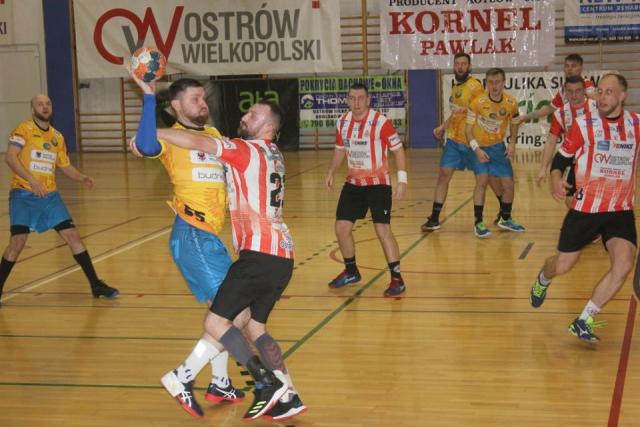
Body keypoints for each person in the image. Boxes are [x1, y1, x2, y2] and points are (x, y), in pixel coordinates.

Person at [137, 98, 305, 421]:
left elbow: (198, 142)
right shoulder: (274, 154)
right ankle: (288, 395)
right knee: (254, 326)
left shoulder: (246, 150)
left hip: (258, 254)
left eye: (254, 115)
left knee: (217, 322)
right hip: (282, 255)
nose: (246, 116)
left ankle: (254, 383)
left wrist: (154, 132)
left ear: (268, 127)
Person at [128, 73, 245, 417]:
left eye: (203, 98)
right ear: (176, 106)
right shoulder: (171, 140)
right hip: (192, 234)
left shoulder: (213, 135)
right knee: (234, 313)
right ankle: (183, 376)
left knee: (224, 314)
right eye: (195, 99)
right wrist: (149, 96)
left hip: (210, 237)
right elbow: (146, 145)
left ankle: (220, 382)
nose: (203, 103)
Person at [530, 74, 639, 343]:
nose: (602, 97)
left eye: (609, 92)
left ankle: (584, 320)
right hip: (586, 209)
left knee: (624, 264)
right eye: (600, 91)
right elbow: (561, 158)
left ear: (622, 96)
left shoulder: (636, 125)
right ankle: (543, 278)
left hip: (620, 210)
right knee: (562, 265)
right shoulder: (583, 125)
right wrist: (556, 179)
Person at [0, 95, 118, 305]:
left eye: (48, 104)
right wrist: (31, 179)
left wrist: (82, 177)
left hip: (50, 197)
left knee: (73, 236)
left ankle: (96, 285)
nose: (45, 107)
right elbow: (10, 157)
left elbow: (65, 166)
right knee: (17, 243)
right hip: (23, 194)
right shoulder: (23, 130)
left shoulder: (57, 137)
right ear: (32, 109)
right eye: (40, 104)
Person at [325, 82, 407, 297]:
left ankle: (397, 279)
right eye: (352, 98)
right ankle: (351, 271)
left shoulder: (380, 122)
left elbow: (398, 150)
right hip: (354, 184)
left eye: (361, 98)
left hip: (378, 184)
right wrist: (332, 171)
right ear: (347, 100)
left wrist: (402, 180)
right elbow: (340, 150)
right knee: (341, 227)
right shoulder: (342, 122)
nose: (356, 102)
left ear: (368, 100)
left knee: (382, 230)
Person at [422, 52, 504, 232]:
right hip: (454, 140)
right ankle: (434, 218)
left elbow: (485, 108)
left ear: (469, 66)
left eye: (463, 64)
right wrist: (442, 127)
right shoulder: (455, 87)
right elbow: (455, 113)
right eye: (457, 64)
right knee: (444, 175)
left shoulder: (475, 86)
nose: (460, 67)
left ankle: (503, 210)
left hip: (472, 141)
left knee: (487, 178)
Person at [465, 68, 525, 238]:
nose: (494, 86)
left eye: (497, 82)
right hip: (479, 147)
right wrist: (477, 149)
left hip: (498, 147)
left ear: (504, 83)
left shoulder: (511, 103)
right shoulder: (477, 102)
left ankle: (505, 218)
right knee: (482, 181)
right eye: (490, 82)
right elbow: (467, 130)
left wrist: (512, 143)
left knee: (509, 184)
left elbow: (514, 123)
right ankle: (478, 223)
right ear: (486, 84)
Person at [537, 76, 597, 209]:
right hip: (576, 161)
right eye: (570, 91)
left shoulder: (597, 108)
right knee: (570, 200)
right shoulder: (560, 114)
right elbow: (551, 142)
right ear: (565, 92)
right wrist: (543, 168)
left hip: (597, 160)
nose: (574, 95)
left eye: (578, 91)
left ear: (584, 91)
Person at [520, 53, 596, 123]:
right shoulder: (563, 89)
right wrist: (526, 117)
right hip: (572, 129)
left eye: (573, 66)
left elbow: (596, 99)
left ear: (581, 68)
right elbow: (549, 109)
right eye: (567, 66)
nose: (569, 69)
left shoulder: (587, 84)